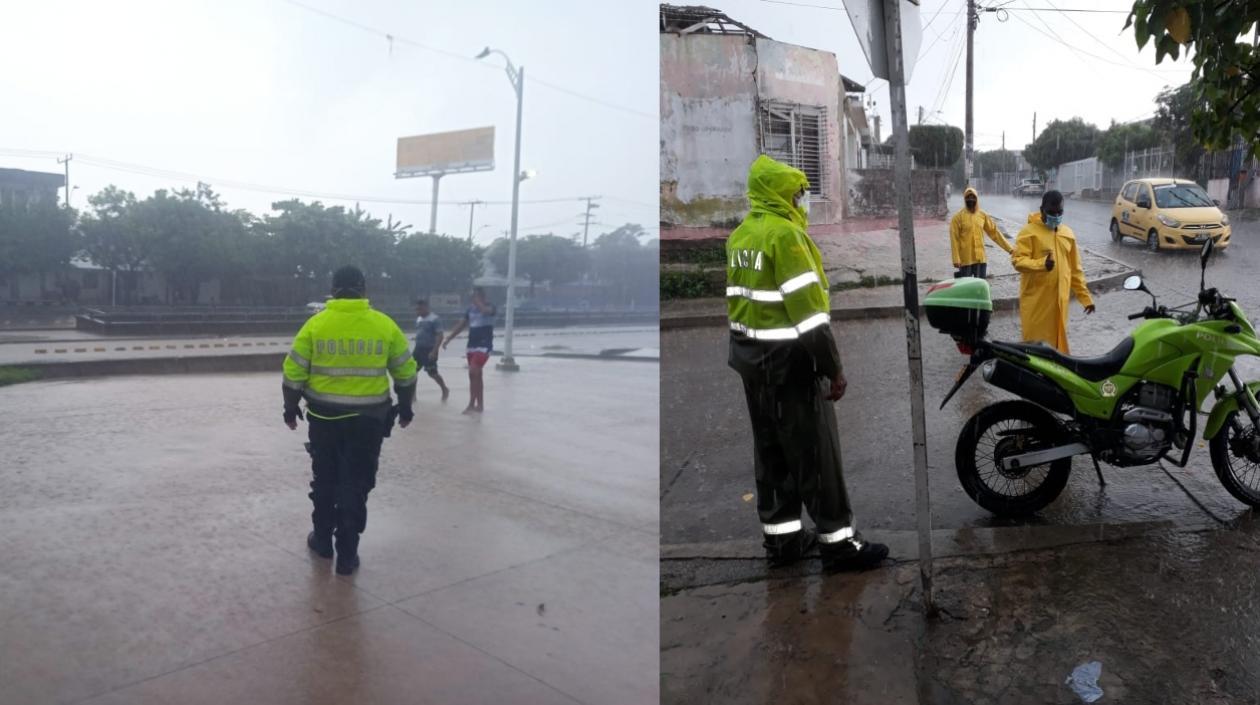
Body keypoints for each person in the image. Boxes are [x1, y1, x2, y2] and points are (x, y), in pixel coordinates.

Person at [726, 154, 888, 572]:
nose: (802, 202)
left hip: (750, 363)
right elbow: (811, 320)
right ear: (781, 195)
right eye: (798, 194)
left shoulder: (741, 236)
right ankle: (839, 544)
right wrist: (833, 368)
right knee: (817, 457)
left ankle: (783, 542)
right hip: (790, 366)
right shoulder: (786, 237)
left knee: (772, 453)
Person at [282, 265, 418, 575]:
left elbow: (293, 375)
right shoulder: (384, 325)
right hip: (369, 422)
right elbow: (406, 374)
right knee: (356, 483)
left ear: (333, 289)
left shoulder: (316, 325)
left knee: (325, 481)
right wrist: (406, 409)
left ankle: (322, 543)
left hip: (324, 420)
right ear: (364, 289)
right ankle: (347, 554)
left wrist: (290, 410)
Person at [1011, 190, 1096, 354]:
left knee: (1056, 351)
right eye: (1052, 212)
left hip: (1059, 306)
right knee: (1034, 351)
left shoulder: (1068, 234)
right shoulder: (1028, 232)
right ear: (1042, 209)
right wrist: (1041, 264)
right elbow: (1017, 261)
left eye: (1060, 212)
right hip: (1037, 305)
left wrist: (1086, 298)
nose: (1056, 216)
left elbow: (1075, 271)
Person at [442, 286, 497, 414]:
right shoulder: (469, 310)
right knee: (475, 375)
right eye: (473, 297)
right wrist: (449, 338)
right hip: (472, 345)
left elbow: (485, 311)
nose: (474, 299)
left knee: (473, 371)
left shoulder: (491, 307)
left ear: (483, 296)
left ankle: (472, 404)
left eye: (476, 296)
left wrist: (479, 303)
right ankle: (480, 406)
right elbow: (461, 325)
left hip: (484, 345)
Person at [950, 186, 1013, 279]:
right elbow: (954, 239)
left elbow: (995, 233)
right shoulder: (957, 217)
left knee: (979, 289)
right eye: (968, 197)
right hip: (965, 260)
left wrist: (1010, 249)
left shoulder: (982, 215)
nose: (970, 200)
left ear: (977, 199)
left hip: (980, 259)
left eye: (973, 197)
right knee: (966, 289)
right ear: (964, 199)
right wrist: (956, 259)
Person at [412, 298, 449, 402]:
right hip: (418, 349)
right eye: (417, 309)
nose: (418, 311)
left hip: (429, 349)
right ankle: (413, 396)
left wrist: (434, 351)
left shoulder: (434, 319)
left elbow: (440, 335)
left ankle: (444, 389)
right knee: (412, 372)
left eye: (420, 309)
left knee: (432, 373)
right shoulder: (419, 319)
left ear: (426, 308)